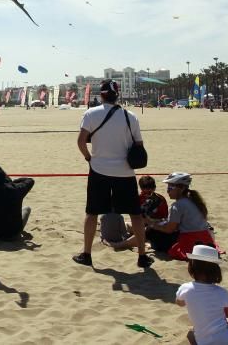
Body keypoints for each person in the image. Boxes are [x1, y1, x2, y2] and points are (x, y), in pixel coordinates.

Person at [73, 79, 151, 269]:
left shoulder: (91, 114)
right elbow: (138, 145)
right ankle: (142, 256)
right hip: (124, 172)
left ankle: (87, 254)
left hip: (99, 169)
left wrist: (88, 158)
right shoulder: (130, 116)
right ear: (118, 94)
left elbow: (81, 142)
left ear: (101, 95)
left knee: (91, 213)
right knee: (135, 214)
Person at [146, 172, 219, 261]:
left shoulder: (177, 205)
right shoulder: (195, 201)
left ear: (181, 188)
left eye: (170, 187)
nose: (168, 191)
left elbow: (169, 229)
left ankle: (130, 243)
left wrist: (152, 224)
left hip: (190, 241)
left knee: (152, 232)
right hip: (206, 238)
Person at [110, 175, 174, 253]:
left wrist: (149, 222)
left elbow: (163, 219)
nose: (147, 193)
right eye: (144, 191)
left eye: (149, 191)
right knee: (126, 225)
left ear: (154, 188)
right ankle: (142, 240)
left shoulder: (159, 199)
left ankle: (120, 245)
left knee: (141, 232)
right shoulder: (140, 198)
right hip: (145, 224)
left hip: (155, 226)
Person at [0, 164, 34, 241]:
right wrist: (13, 182)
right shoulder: (17, 188)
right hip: (14, 232)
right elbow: (30, 180)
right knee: (27, 208)